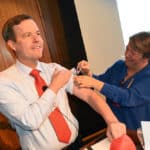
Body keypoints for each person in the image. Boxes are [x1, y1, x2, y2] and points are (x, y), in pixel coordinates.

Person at [0, 14, 126, 150]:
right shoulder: (4, 82)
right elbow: (30, 121)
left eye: (38, 33)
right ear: (12, 45)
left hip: (76, 144)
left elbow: (89, 95)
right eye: (27, 35)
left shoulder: (54, 68)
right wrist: (54, 86)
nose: (37, 39)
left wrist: (112, 121)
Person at [75, 31, 150, 131]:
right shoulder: (119, 66)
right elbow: (101, 81)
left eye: (133, 53)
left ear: (146, 58)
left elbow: (128, 97)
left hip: (140, 135)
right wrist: (88, 74)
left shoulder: (147, 77)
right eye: (127, 48)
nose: (127, 54)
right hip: (116, 129)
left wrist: (94, 82)